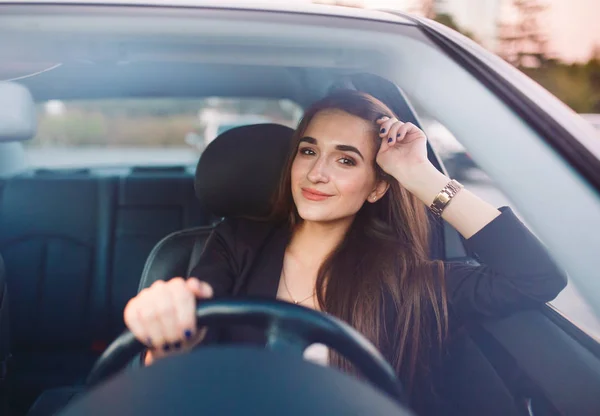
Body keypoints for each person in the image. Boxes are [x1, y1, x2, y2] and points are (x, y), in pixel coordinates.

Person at [123, 90, 566, 414]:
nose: (317, 173)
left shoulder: (406, 281)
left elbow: (535, 277)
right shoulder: (237, 242)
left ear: (377, 186)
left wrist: (421, 176)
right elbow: (183, 355)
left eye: (346, 160)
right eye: (308, 151)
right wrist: (168, 332)